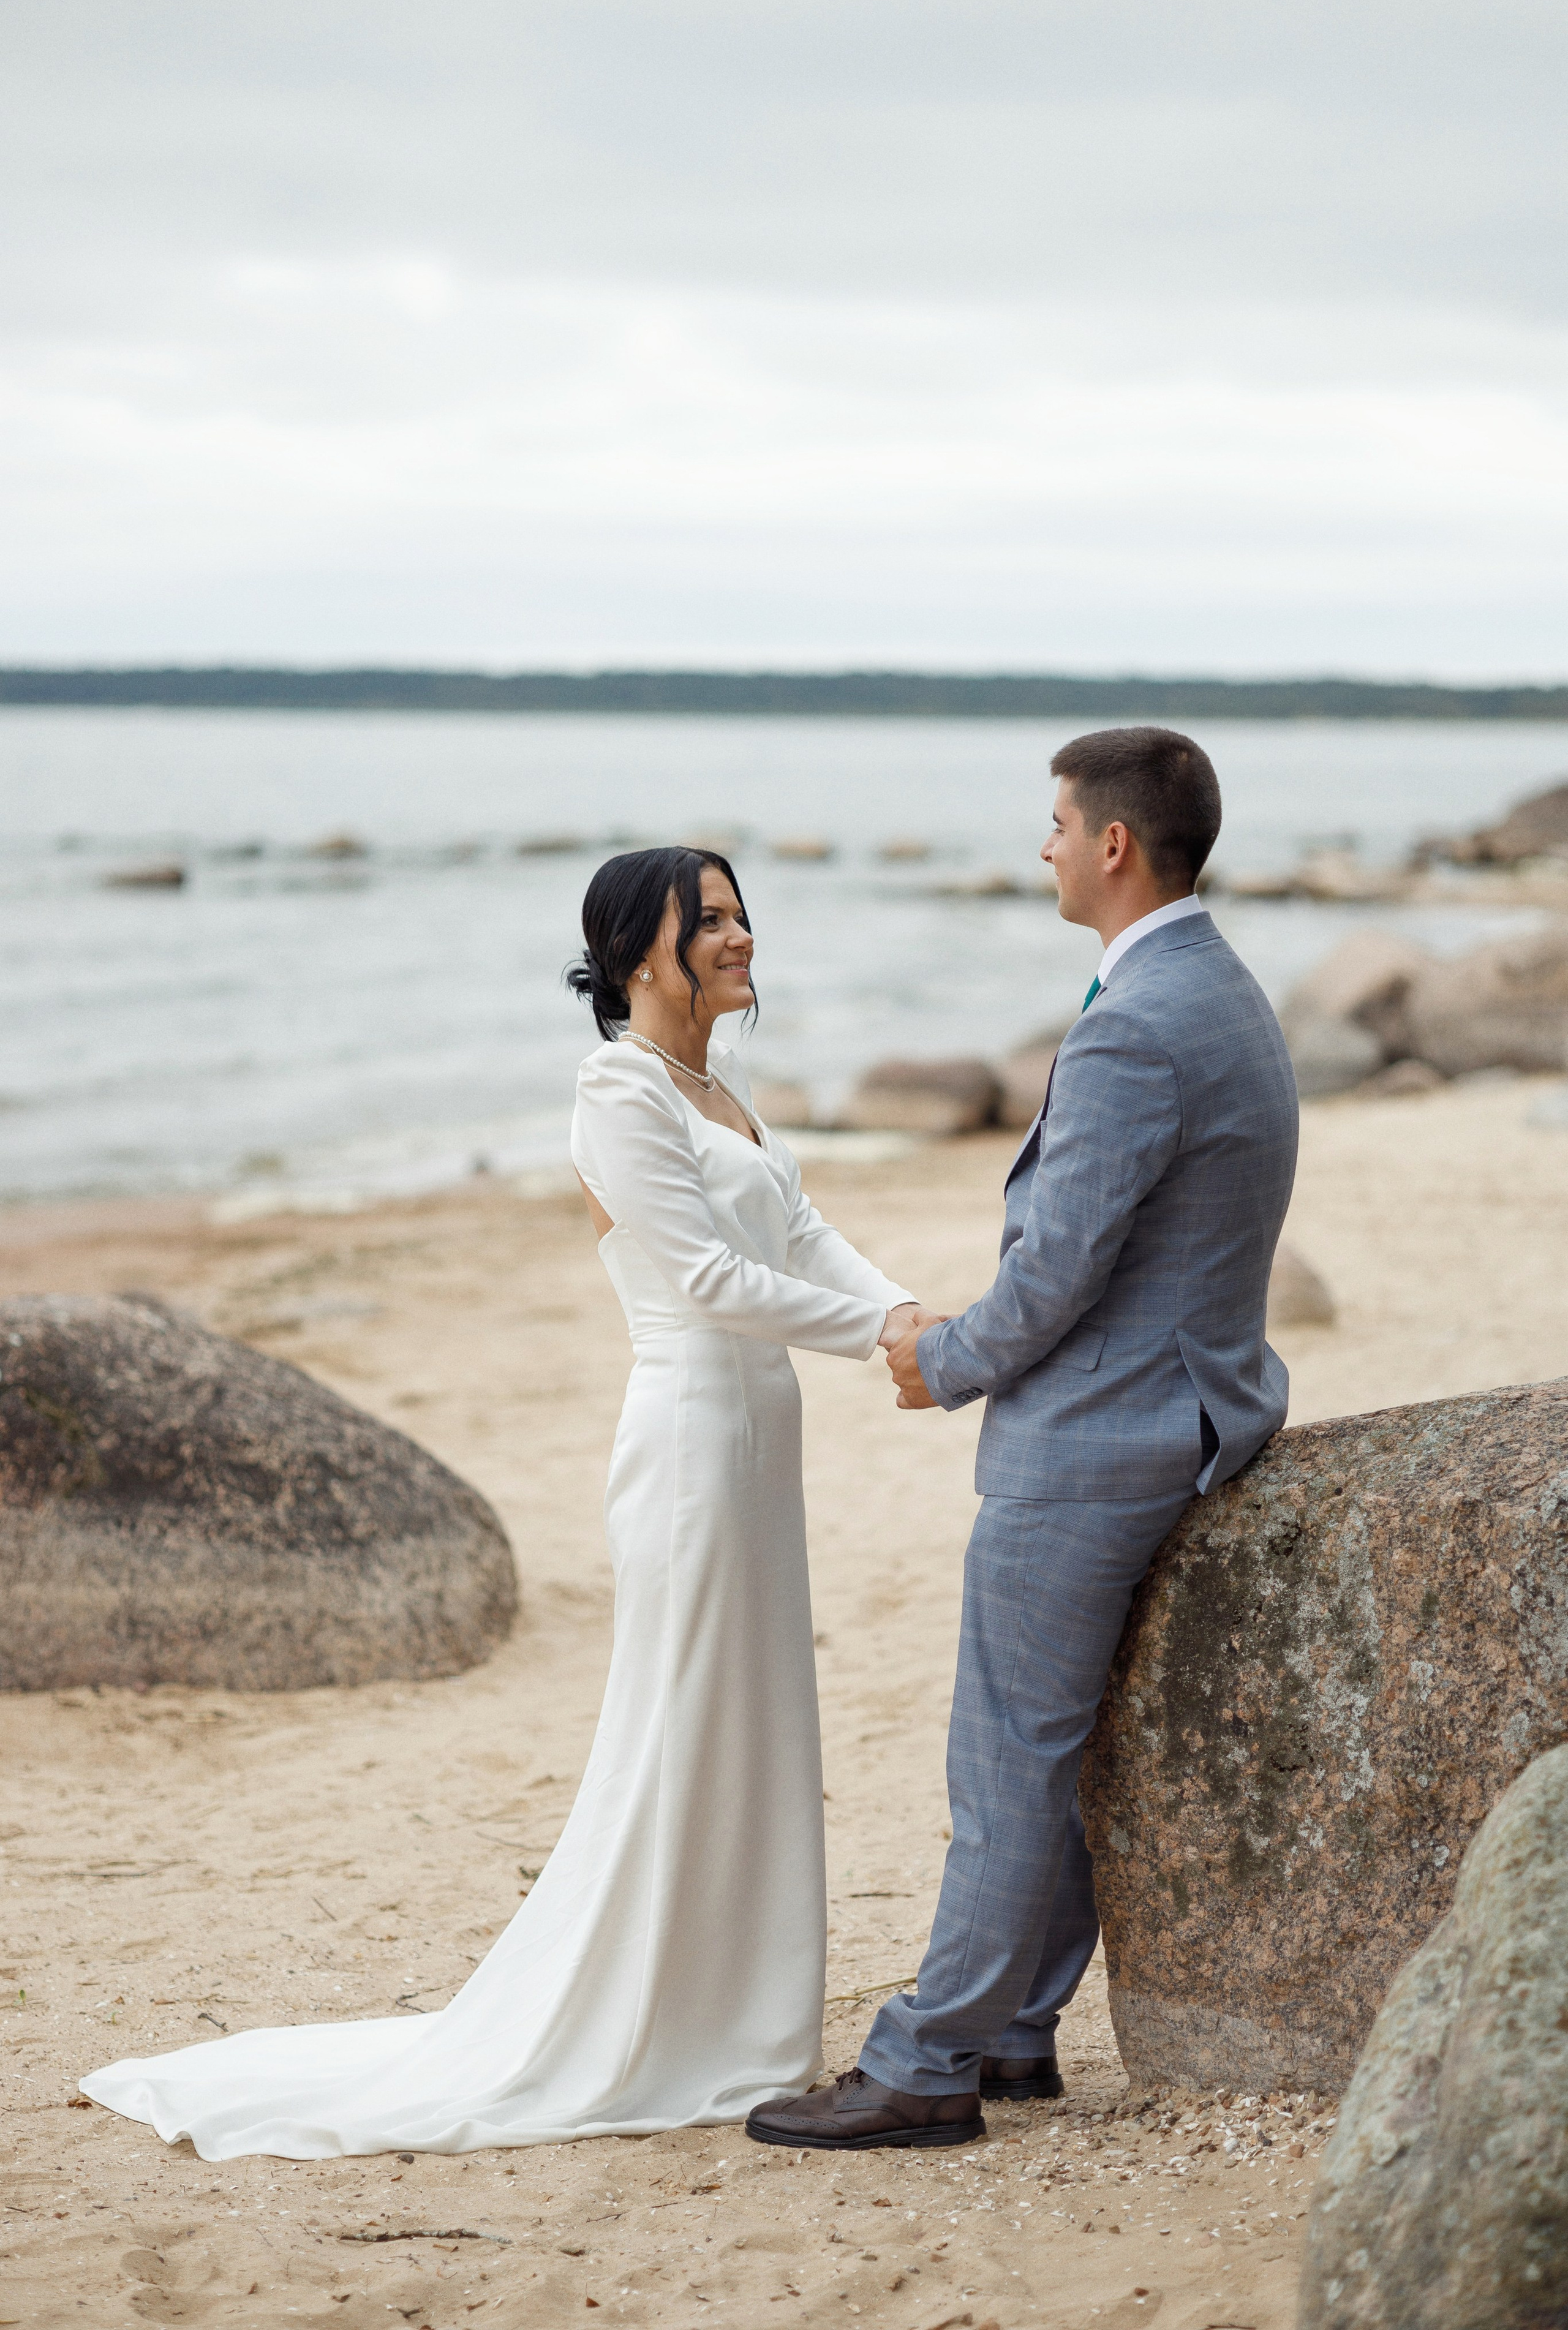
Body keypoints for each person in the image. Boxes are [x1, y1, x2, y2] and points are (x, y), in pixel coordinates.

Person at [81, 845, 926, 2158]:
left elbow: (800, 1234)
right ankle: (662, 2025)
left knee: (757, 1716)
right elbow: (704, 1280)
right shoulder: (617, 1089)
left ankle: (740, 2014)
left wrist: (906, 1310)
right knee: (683, 1720)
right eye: (707, 919)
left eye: (740, 912)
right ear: (636, 953)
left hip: (763, 1437)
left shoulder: (719, 1088)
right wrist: (878, 1338)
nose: (739, 935)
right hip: (692, 1439)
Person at [745, 725, 1299, 2152]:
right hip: (1191, 1410)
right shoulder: (1219, 988)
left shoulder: (1134, 1023)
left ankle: (926, 2064)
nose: (1040, 845)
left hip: (1103, 1438)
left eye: (1054, 823)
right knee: (1045, 1755)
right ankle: (1009, 2032)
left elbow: (1055, 1272)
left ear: (1112, 844)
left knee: (1005, 1759)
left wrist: (944, 1362)